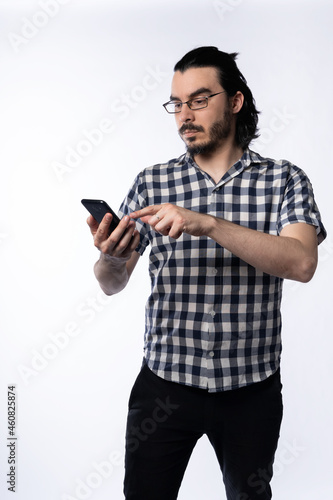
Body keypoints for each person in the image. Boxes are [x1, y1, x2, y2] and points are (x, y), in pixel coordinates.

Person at [86, 46, 326, 500]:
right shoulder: (151, 182)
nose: (184, 115)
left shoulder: (285, 180)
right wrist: (112, 259)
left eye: (198, 100)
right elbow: (111, 284)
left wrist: (209, 223)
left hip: (250, 389)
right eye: (176, 104)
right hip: (164, 386)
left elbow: (301, 262)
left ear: (235, 101)